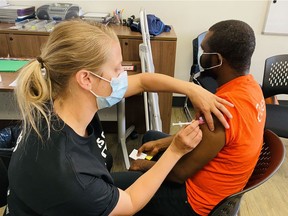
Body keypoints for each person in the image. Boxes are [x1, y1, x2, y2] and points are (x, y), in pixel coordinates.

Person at [6, 19, 233, 216]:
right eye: (116, 69)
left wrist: (192, 90)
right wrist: (175, 151)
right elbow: (131, 203)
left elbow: (143, 81)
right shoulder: (73, 175)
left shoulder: (59, 97)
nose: (123, 76)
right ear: (86, 79)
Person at [129, 19, 266, 215]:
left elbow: (179, 174)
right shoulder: (251, 87)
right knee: (151, 137)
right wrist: (162, 143)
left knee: (117, 190)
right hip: (219, 182)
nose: (201, 56)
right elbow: (202, 133)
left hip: (194, 201)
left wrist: (141, 165)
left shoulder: (223, 110)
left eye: (204, 51)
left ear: (218, 59)